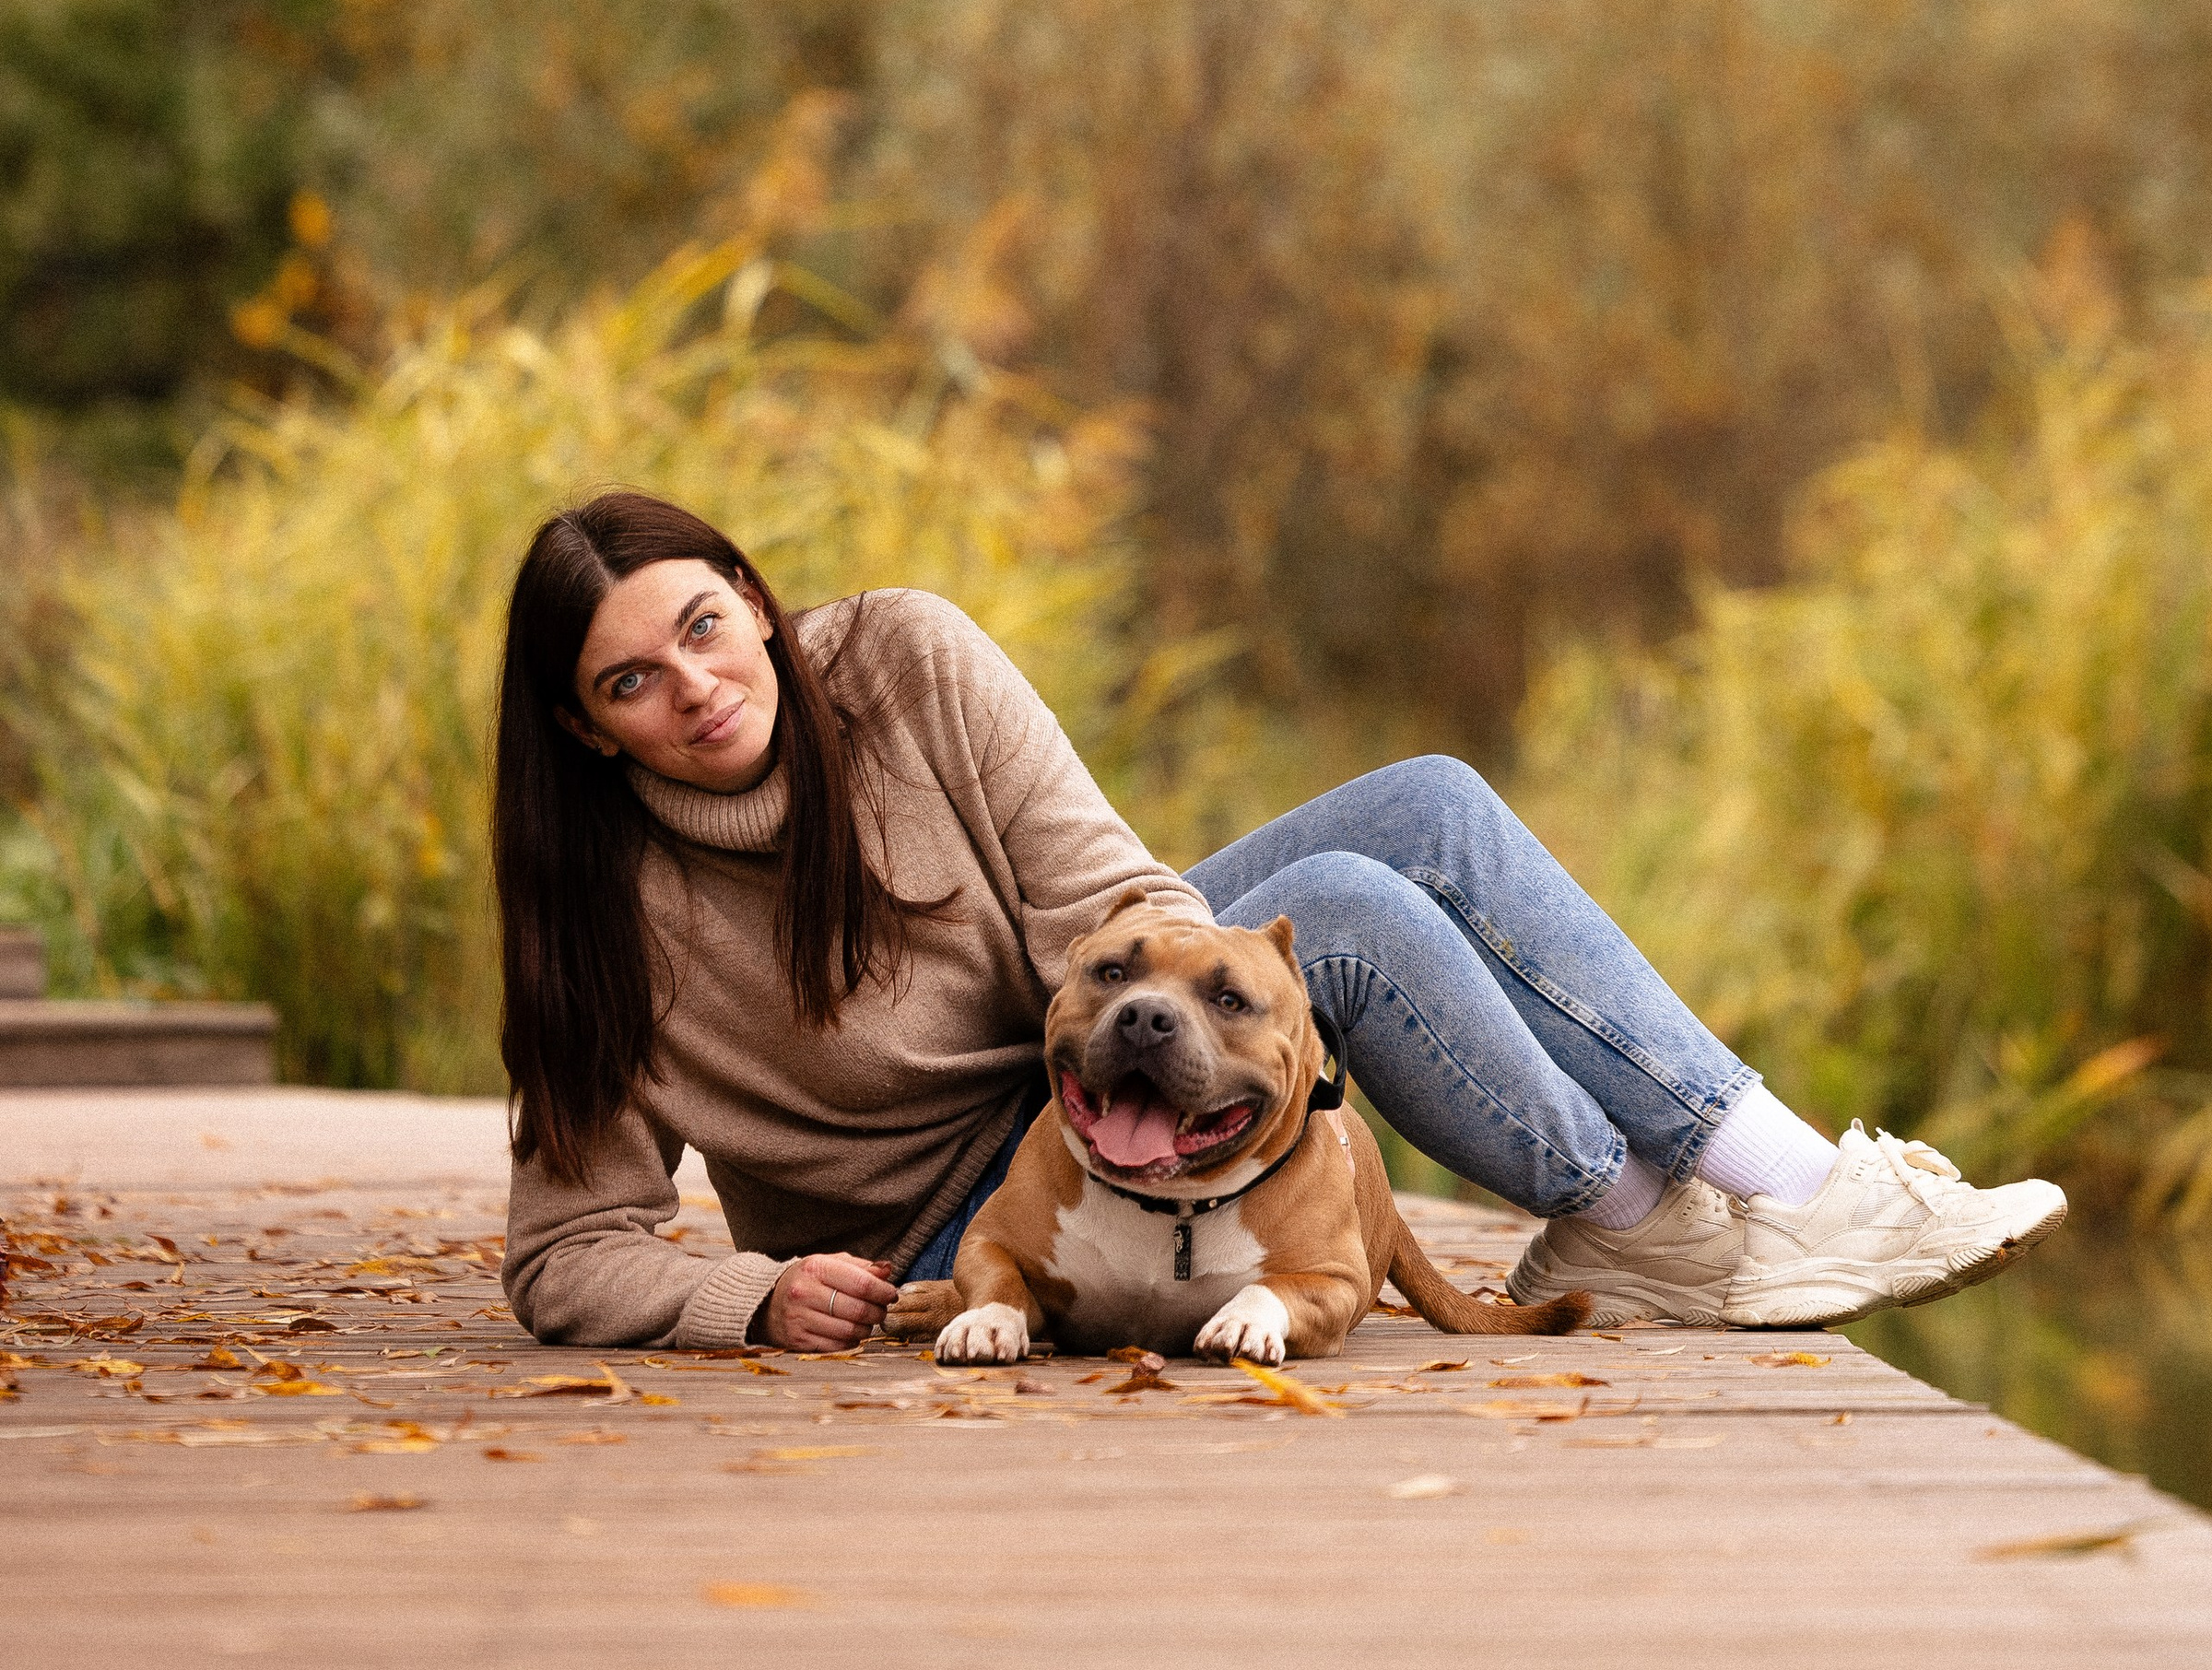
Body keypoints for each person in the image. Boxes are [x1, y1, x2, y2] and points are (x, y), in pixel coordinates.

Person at [496, 492, 2065, 1353]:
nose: (698, 685)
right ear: (584, 727)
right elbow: (567, 1252)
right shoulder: (599, 926)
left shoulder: (902, 661)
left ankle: (1763, 1177)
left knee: (1430, 805)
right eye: (632, 677)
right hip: (954, 1230)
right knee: (1353, 918)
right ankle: (1644, 1210)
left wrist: (1222, 1000)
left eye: (707, 625)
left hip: (1089, 1064)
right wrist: (747, 1293)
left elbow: (1119, 900)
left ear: (754, 601)